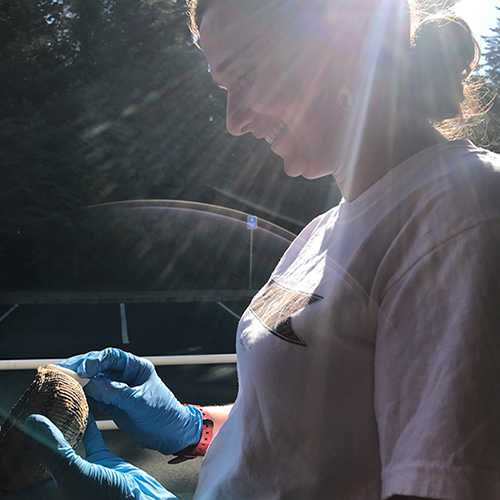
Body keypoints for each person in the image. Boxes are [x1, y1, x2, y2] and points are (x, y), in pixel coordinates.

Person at [14, 0, 500, 498]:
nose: (234, 120)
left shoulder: (465, 214)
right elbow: (300, 439)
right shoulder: (325, 229)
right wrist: (194, 426)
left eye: (244, 75)